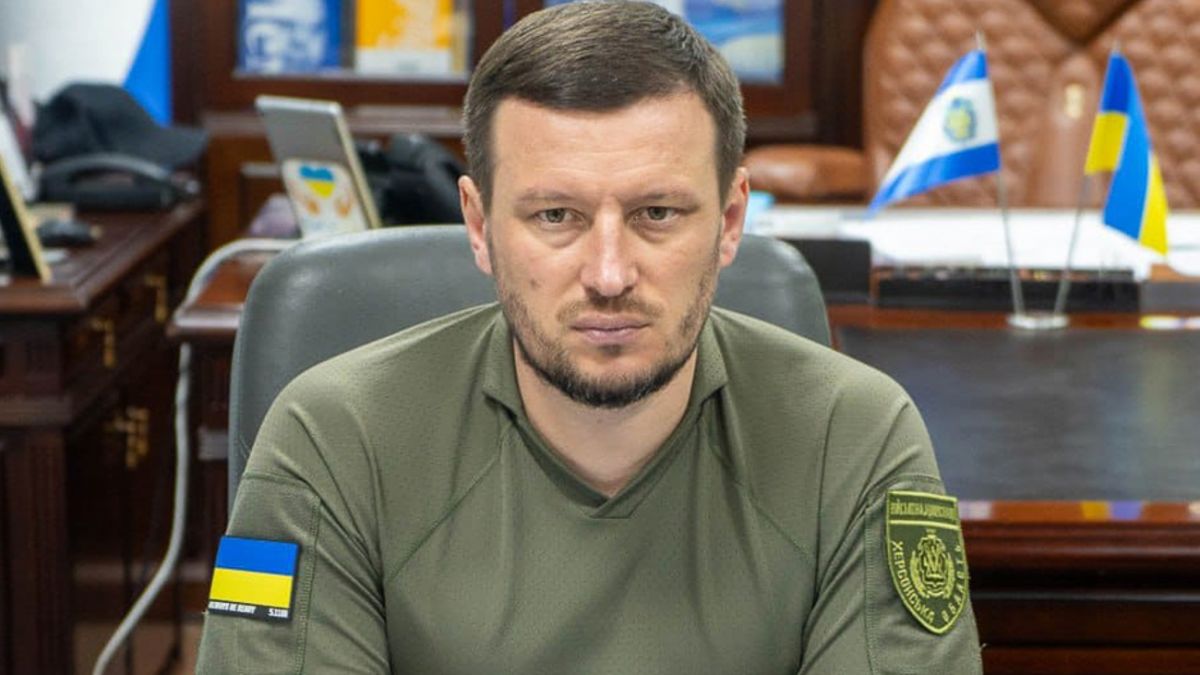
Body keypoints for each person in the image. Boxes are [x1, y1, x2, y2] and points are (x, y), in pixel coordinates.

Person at [197, 2, 984, 672]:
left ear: (730, 220)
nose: (609, 273)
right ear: (479, 224)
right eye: (556, 216)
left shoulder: (855, 436)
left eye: (656, 213)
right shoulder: (329, 440)